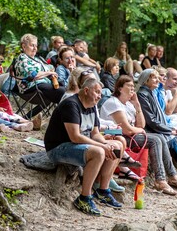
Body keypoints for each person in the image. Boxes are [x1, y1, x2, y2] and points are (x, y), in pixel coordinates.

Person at [45, 78, 123, 215]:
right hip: (58, 148)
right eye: (97, 92)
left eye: (100, 93)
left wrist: (106, 144)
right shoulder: (71, 104)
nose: (100, 96)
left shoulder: (92, 106)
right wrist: (102, 146)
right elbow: (75, 136)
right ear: (86, 91)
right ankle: (84, 198)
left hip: (77, 145)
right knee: (98, 152)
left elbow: (96, 133)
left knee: (117, 144)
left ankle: (103, 191)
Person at [100, 75, 177, 195]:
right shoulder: (113, 102)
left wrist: (137, 105)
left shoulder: (129, 104)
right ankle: (160, 180)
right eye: (129, 86)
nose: (132, 89)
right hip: (114, 134)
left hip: (128, 135)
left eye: (133, 86)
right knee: (155, 140)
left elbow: (141, 125)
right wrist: (139, 130)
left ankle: (172, 175)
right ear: (120, 88)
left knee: (160, 137)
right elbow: (127, 129)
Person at [137, 69, 177, 179]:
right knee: (171, 138)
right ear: (146, 80)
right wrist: (168, 130)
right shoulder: (143, 94)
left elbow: (174, 111)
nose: (158, 80)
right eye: (155, 78)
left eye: (159, 77)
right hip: (150, 130)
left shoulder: (151, 92)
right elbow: (151, 120)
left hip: (158, 127)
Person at [14, 34, 65, 118]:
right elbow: (32, 75)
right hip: (30, 87)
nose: (35, 48)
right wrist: (48, 73)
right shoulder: (23, 58)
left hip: (42, 84)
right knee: (62, 92)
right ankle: (63, 120)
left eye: (36, 46)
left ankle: (26, 118)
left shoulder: (37, 59)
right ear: (24, 46)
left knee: (64, 88)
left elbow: (49, 68)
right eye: (32, 45)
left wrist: (51, 73)